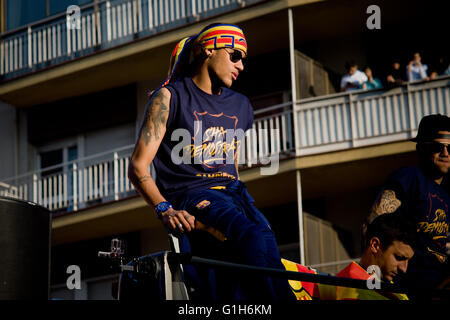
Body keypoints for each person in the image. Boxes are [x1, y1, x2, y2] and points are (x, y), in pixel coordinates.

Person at [128, 23, 295, 301]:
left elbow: (233, 166)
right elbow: (137, 166)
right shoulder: (169, 97)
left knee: (267, 244)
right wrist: (165, 209)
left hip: (235, 196)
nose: (241, 65)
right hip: (194, 196)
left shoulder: (241, 105)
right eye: (234, 55)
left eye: (244, 58)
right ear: (208, 49)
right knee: (251, 237)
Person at [363, 114, 450, 299]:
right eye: (437, 147)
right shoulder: (409, 179)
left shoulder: (447, 192)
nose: (445, 153)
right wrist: (375, 286)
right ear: (421, 148)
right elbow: (371, 228)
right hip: (406, 288)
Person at [318, 214, 415, 300]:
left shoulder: (396, 289)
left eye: (407, 261)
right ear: (375, 245)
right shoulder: (348, 285)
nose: (404, 269)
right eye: (399, 258)